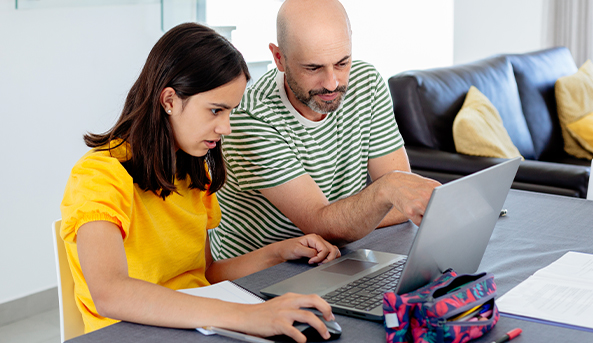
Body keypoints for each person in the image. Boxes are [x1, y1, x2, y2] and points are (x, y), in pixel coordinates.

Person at [60, 23, 341, 342]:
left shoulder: (193, 172)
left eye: (230, 112)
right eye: (215, 111)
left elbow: (205, 273)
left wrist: (278, 252)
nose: (226, 128)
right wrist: (245, 316)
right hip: (130, 333)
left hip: (197, 325)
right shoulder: (99, 176)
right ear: (169, 100)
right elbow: (110, 293)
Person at [209, 0, 441, 261]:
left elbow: (402, 202)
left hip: (338, 256)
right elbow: (320, 224)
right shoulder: (250, 116)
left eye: (342, 63)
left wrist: (354, 218)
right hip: (262, 277)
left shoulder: (367, 83)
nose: (332, 83)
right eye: (313, 68)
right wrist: (385, 192)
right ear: (279, 58)